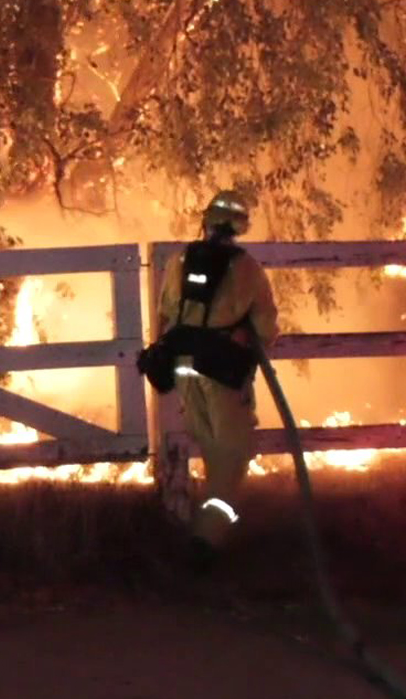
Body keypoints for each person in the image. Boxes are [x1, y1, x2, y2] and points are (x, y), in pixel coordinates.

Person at [152, 189, 279, 565]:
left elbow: (165, 314)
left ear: (206, 221)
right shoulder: (247, 269)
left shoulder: (178, 260)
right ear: (240, 226)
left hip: (184, 367)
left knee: (211, 448)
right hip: (221, 370)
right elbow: (266, 328)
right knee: (234, 455)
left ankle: (206, 530)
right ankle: (207, 540)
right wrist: (242, 336)